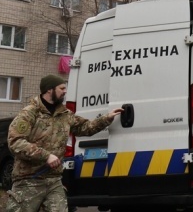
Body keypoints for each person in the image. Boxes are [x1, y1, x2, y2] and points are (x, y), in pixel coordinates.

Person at [6, 74, 123, 212]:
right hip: (29, 179)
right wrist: (46, 156)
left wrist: (106, 118)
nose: (65, 91)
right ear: (49, 90)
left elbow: (85, 128)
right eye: (61, 88)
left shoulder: (65, 114)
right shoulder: (30, 113)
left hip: (54, 179)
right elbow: (15, 142)